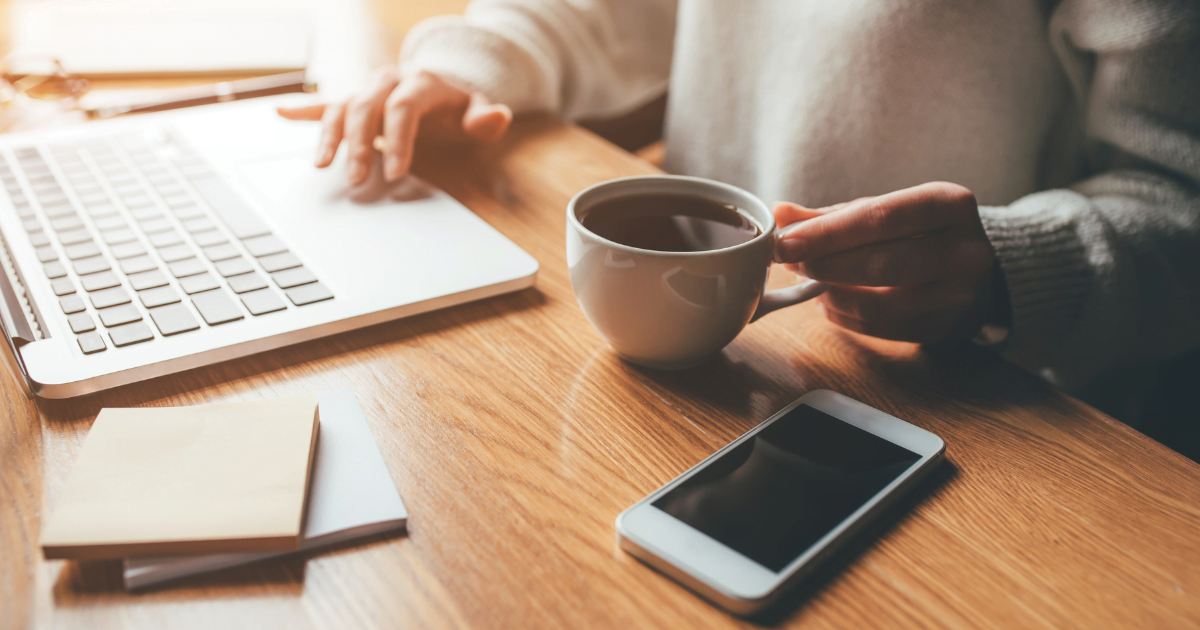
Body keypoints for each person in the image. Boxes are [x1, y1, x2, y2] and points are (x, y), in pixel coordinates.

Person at [279, 0, 1200, 434]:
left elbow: (1179, 201)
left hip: (966, 415)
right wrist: (475, 60)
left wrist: (1015, 267)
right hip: (702, 392)